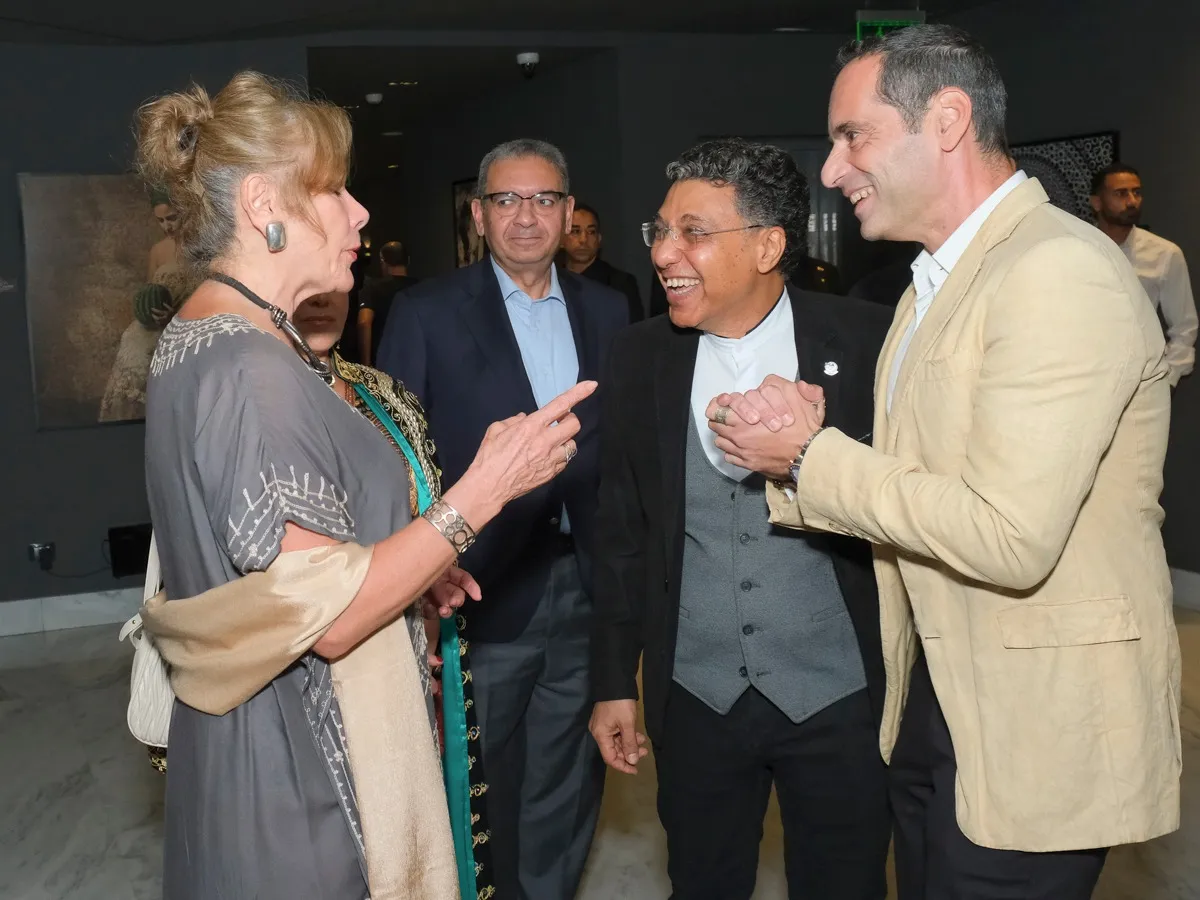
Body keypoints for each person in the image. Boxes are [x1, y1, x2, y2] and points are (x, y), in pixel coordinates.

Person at [712, 25, 1180, 900]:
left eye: (854, 136)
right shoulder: (933, 284)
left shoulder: (1055, 271)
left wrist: (812, 456)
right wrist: (800, 448)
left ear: (948, 120)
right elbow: (929, 484)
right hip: (942, 696)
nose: (832, 169)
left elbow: (1008, 535)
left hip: (1032, 723)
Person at [137, 72, 594, 900]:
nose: (359, 214)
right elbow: (333, 619)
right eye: (334, 191)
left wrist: (416, 568)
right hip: (302, 771)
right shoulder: (252, 368)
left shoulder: (210, 334)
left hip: (251, 740)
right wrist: (484, 491)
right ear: (263, 204)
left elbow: (295, 573)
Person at [589, 137, 892, 900]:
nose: (664, 252)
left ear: (767, 246)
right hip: (698, 697)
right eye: (660, 230)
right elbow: (622, 533)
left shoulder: (868, 342)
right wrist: (614, 681)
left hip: (840, 696)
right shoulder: (637, 357)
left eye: (692, 232)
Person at [377, 138, 628, 900]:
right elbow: (395, 457)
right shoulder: (425, 312)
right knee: (480, 782)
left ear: (568, 212)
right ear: (479, 215)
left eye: (544, 199)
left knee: (567, 782)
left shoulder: (609, 309)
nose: (526, 216)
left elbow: (622, 453)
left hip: (583, 588)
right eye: (507, 200)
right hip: (477, 591)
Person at [1090, 162, 1197, 387]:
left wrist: (1168, 381)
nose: (1132, 201)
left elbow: (1184, 327)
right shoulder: (1078, 248)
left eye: (1136, 193)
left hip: (1142, 382)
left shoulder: (1164, 254)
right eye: (1121, 193)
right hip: (1088, 378)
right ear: (1097, 202)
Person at [98, 187, 188, 422]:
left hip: (182, 326)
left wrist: (174, 317)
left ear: (185, 210)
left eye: (172, 218)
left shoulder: (202, 249)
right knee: (131, 346)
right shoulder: (158, 250)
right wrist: (148, 310)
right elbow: (149, 290)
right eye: (160, 221)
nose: (167, 226)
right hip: (148, 327)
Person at [561, 202, 643, 322]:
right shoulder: (553, 281)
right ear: (561, 239)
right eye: (575, 231)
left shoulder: (620, 284)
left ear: (599, 239)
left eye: (591, 232)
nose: (583, 239)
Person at [356, 240, 419, 366]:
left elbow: (364, 322)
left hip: (383, 359)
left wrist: (366, 364)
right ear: (408, 261)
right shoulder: (421, 288)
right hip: (415, 357)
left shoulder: (373, 288)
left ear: (383, 262)